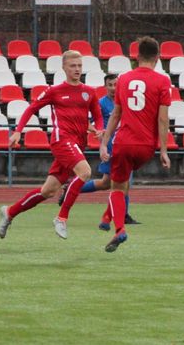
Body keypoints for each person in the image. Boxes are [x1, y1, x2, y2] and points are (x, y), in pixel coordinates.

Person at [0, 50, 104, 240]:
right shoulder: (54, 91)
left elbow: (97, 114)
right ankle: (61, 218)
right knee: (85, 172)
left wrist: (100, 129)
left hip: (78, 143)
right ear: (64, 68)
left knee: (48, 191)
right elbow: (32, 108)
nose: (77, 69)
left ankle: (10, 212)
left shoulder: (89, 92)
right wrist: (18, 130)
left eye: (79, 65)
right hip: (61, 139)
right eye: (73, 66)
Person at [98, 36, 172, 252]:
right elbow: (163, 119)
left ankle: (119, 228)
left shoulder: (123, 79)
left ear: (137, 57)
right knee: (124, 180)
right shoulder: (163, 81)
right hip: (146, 147)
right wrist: (164, 150)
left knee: (117, 186)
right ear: (157, 58)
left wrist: (104, 143)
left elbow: (115, 115)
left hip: (123, 142)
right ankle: (106, 217)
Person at [58, 73, 140, 229]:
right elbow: (86, 121)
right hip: (110, 147)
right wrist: (99, 134)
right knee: (121, 182)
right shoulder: (102, 103)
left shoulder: (125, 101)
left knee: (107, 183)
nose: (114, 88)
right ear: (105, 87)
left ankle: (71, 189)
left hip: (125, 144)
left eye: (116, 84)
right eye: (110, 85)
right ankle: (123, 215)